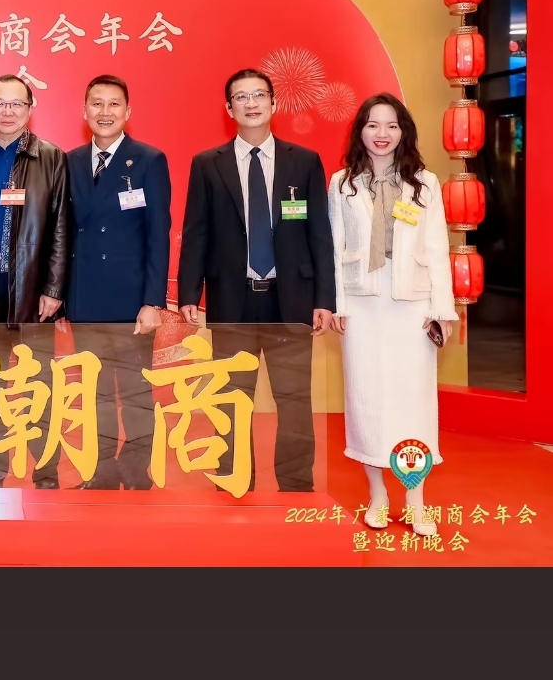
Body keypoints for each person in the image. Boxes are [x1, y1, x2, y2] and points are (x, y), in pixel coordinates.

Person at [177, 66, 336, 492]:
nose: (251, 103)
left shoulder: (304, 162)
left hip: (292, 299)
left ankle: (297, 483)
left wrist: (324, 299)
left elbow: (319, 235)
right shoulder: (207, 164)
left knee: (295, 398)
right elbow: (196, 232)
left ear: (273, 103)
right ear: (229, 109)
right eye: (241, 97)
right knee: (232, 398)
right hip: (234, 299)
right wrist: (189, 292)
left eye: (259, 95)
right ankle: (235, 478)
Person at [328, 94, 456, 535]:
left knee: (413, 404)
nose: (382, 134)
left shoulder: (425, 182)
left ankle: (416, 500)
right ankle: (378, 496)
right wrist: (337, 305)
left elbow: (437, 248)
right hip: (361, 306)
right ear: (360, 131)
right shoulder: (342, 183)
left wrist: (441, 309)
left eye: (391, 125)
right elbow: (332, 248)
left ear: (404, 132)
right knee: (366, 403)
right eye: (372, 125)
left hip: (412, 306)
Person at [64, 73, 171, 489]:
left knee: (135, 390)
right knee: (95, 392)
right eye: (97, 103)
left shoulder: (148, 160)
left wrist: (153, 301)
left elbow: (158, 235)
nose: (104, 112)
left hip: (132, 301)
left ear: (128, 112)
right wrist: (63, 298)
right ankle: (102, 470)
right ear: (84, 110)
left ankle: (138, 468)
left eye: (113, 104)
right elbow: (62, 234)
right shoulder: (70, 161)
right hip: (86, 297)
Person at [0, 73, 71, 485]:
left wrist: (53, 288)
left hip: (32, 289)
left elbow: (60, 225)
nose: (7, 111)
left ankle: (45, 469)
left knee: (39, 383)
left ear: (30, 108)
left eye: (16, 103)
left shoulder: (51, 157)